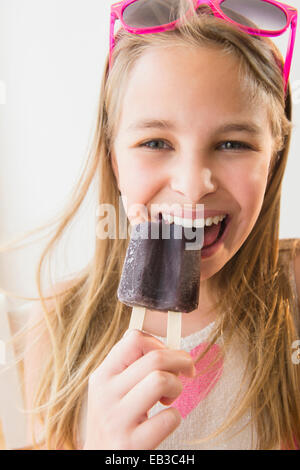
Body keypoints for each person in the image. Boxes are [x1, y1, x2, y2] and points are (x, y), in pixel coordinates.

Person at [22, 0, 300, 450]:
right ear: (114, 158)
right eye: (155, 142)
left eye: (232, 142)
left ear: (274, 159)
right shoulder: (56, 326)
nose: (192, 187)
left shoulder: (295, 297)